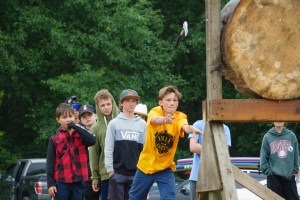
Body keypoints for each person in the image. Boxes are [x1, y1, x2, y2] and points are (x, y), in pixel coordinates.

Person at [129, 85, 203, 200]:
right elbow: (154, 120)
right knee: (135, 197)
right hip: (146, 166)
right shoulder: (155, 111)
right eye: (168, 100)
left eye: (175, 100)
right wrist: (164, 120)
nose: (172, 103)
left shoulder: (180, 116)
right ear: (160, 102)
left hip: (165, 168)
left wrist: (190, 129)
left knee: (169, 197)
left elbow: (184, 126)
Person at [46, 103, 96, 200]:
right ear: (58, 120)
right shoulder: (54, 139)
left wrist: (75, 126)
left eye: (70, 116)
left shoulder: (81, 134)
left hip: (79, 181)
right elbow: (50, 163)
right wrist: (50, 184)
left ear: (74, 116)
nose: (68, 119)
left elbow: (92, 140)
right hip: (61, 182)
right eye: (64, 117)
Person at [104, 89, 147, 200]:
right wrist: (110, 170)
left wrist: (144, 171)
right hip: (117, 173)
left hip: (136, 174)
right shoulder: (113, 123)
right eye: (127, 100)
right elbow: (108, 148)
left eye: (134, 101)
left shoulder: (143, 124)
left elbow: (145, 150)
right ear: (121, 103)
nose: (131, 103)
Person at [188, 119, 231, 200]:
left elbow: (224, 151)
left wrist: (203, 148)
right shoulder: (198, 124)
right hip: (197, 177)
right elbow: (193, 147)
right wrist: (215, 149)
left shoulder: (224, 128)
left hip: (217, 178)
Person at [89, 89, 119, 200]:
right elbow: (94, 155)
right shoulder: (95, 128)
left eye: (108, 104)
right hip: (106, 174)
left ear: (113, 103)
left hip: (125, 171)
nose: (106, 107)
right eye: (102, 105)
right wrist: (95, 178)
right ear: (97, 107)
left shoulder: (123, 120)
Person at [260, 122, 299, 199]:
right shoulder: (267, 137)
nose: (279, 120)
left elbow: (296, 155)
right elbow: (263, 158)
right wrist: (269, 172)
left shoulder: (291, 135)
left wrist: (294, 171)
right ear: (272, 121)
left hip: (289, 176)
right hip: (273, 177)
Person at [79, 104, 100, 200]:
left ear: (96, 116)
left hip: (104, 175)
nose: (87, 118)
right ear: (81, 120)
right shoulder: (79, 136)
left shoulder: (104, 131)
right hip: (88, 177)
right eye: (84, 117)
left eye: (90, 115)